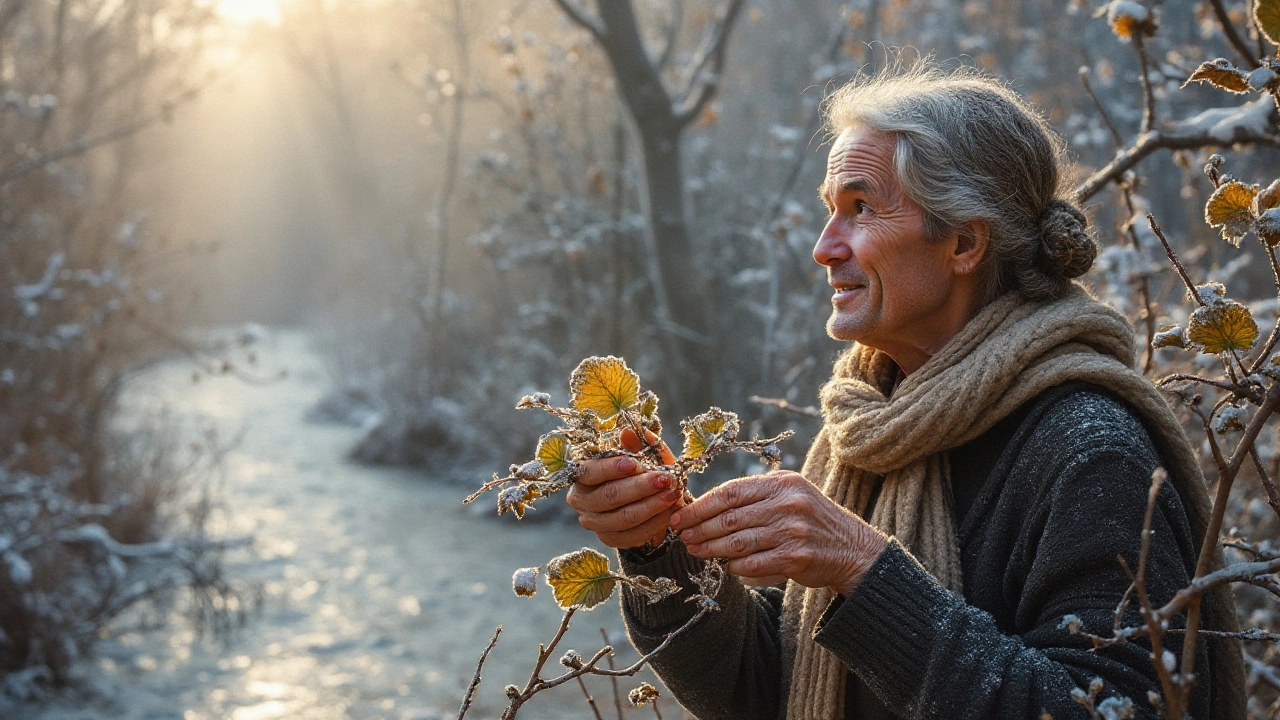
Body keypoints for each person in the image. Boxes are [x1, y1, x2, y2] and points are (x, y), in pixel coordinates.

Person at [565, 60, 1246, 720]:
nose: (825, 247)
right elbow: (772, 686)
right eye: (830, 211)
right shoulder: (868, 427)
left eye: (860, 208)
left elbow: (1111, 709)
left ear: (962, 243)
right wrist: (662, 552)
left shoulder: (1089, 450)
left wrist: (864, 569)